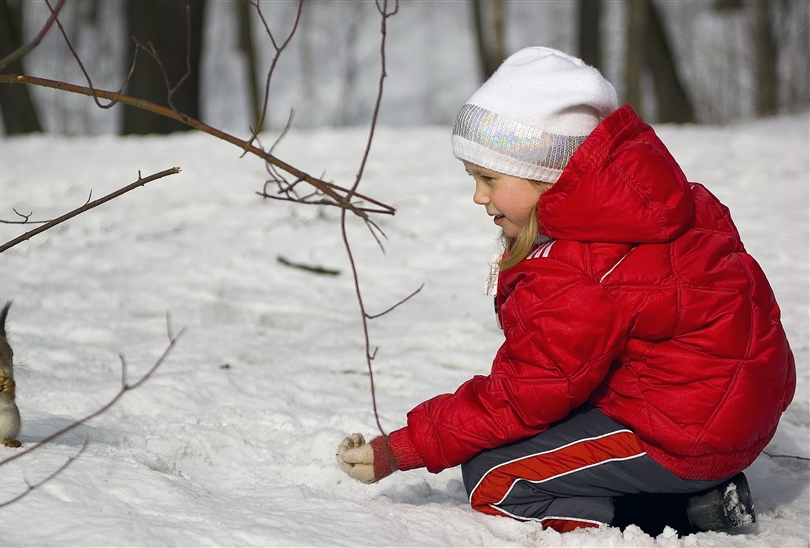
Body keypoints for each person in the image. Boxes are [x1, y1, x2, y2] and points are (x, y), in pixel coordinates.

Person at [336, 46, 796, 535]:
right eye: (473, 178)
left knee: (493, 476)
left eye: (489, 178)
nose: (478, 196)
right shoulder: (665, 203)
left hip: (686, 439)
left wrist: (407, 446)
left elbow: (524, 395)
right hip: (736, 413)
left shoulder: (575, 271)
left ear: (547, 175)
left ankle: (680, 513)